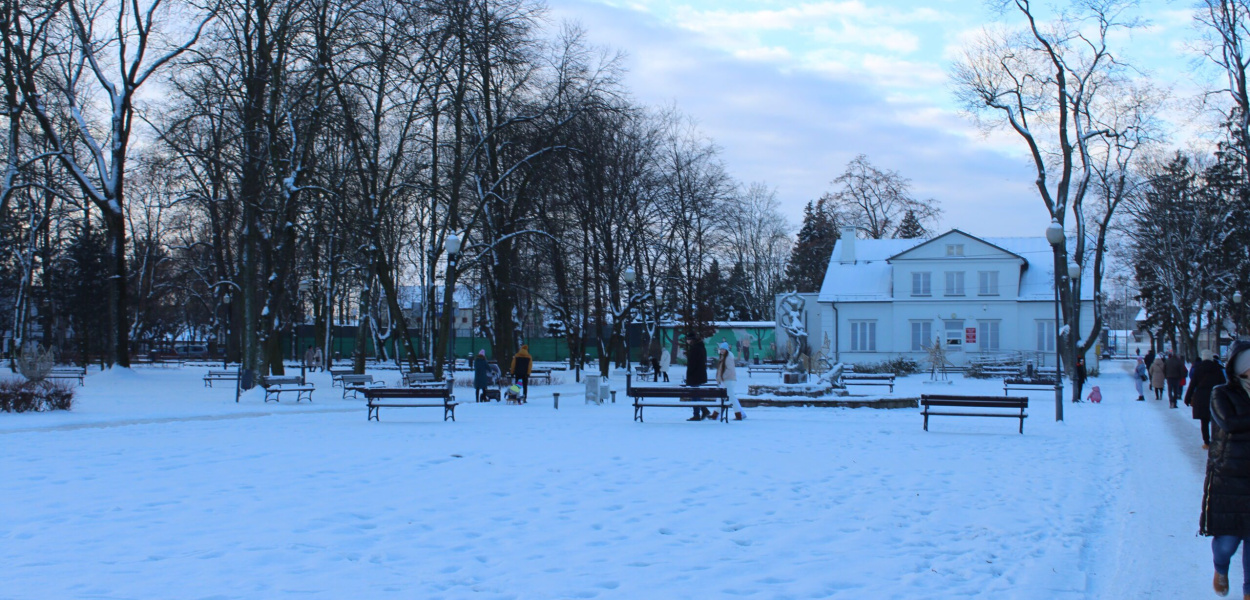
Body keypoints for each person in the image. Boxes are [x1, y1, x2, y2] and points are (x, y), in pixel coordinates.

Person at [1200, 340, 1250, 598]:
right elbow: (1229, 423)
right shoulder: (1221, 393)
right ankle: (1221, 568)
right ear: (1242, 368)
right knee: (1227, 544)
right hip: (1229, 478)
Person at [1187, 349, 1227, 450]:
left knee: (1204, 421)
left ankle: (1206, 442)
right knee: (1215, 420)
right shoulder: (1217, 368)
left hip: (1201, 397)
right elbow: (1223, 383)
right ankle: (1216, 440)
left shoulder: (1198, 368)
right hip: (1215, 396)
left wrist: (1187, 398)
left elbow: (1192, 384)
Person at [685, 336, 713, 421]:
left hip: (694, 375)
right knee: (696, 394)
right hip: (700, 374)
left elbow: (692, 364)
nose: (687, 341)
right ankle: (704, 410)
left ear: (691, 340)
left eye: (688, 339)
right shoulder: (701, 347)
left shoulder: (695, 349)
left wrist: (689, 374)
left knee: (695, 394)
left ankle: (697, 414)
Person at [716, 342, 746, 420]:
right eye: (721, 349)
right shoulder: (724, 357)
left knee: (731, 397)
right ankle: (715, 414)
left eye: (723, 349)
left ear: (726, 350)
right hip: (725, 380)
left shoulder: (728, 357)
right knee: (723, 397)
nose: (722, 351)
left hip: (728, 380)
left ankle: (738, 414)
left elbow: (729, 370)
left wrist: (722, 377)